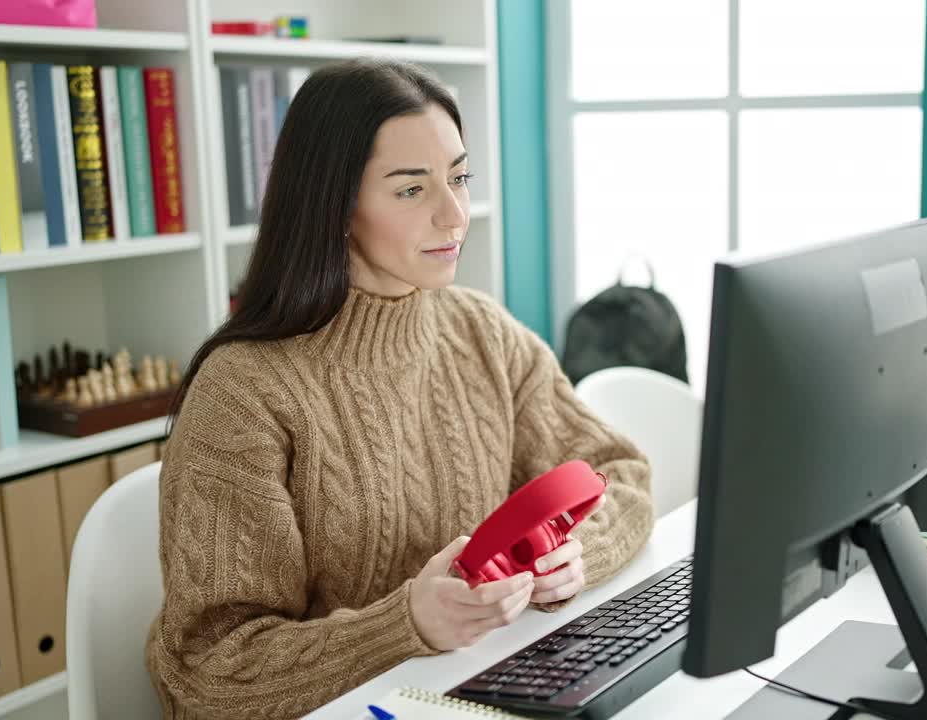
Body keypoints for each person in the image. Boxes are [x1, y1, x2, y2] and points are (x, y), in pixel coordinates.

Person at [145, 59, 654, 719]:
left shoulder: (482, 332)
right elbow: (208, 671)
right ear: (335, 205)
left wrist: (581, 553)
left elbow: (623, 472)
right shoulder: (245, 391)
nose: (454, 215)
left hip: (472, 690)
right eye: (412, 190)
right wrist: (402, 623)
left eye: (459, 178)